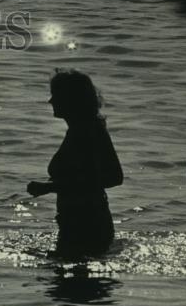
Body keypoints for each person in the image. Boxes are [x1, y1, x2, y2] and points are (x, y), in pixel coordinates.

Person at [26, 69, 123, 259]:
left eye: (56, 95)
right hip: (74, 223)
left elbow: (113, 177)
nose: (50, 101)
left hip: (88, 224)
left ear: (71, 99)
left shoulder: (90, 130)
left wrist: (50, 187)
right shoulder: (80, 129)